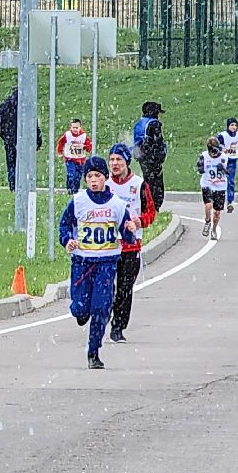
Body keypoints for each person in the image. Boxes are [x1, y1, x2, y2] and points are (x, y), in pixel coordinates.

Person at [58, 156, 138, 369]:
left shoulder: (117, 205)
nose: (94, 181)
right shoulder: (78, 201)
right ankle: (80, 312)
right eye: (90, 176)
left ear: (105, 178)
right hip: (82, 263)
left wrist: (129, 231)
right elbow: (64, 225)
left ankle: (94, 352)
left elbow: (126, 233)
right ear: (85, 179)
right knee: (81, 309)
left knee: (101, 308)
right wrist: (68, 241)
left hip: (107, 263)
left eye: (98, 176)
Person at [105, 143, 157, 343]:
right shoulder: (104, 184)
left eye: (118, 160)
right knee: (107, 287)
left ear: (127, 162)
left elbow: (150, 212)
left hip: (131, 245)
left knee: (125, 288)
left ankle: (118, 326)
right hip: (107, 246)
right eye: (112, 160)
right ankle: (104, 315)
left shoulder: (139, 184)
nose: (115, 164)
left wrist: (139, 221)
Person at [0, 86, 43, 192]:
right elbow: (34, 124)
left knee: (12, 164)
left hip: (10, 140)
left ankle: (13, 187)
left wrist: (5, 135)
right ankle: (25, 186)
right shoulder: (27, 105)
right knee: (25, 164)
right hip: (25, 141)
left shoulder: (5, 105)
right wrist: (38, 141)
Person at [133, 101, 168, 209]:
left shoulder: (139, 123)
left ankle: (145, 204)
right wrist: (160, 156)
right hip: (152, 159)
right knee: (156, 184)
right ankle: (154, 206)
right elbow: (156, 143)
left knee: (147, 181)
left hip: (142, 157)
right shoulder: (154, 124)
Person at [197, 135, 228, 241]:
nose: (213, 154)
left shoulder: (224, 157)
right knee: (208, 205)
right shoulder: (204, 156)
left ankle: (214, 229)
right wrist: (201, 167)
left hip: (220, 185)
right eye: (211, 151)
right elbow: (200, 169)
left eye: (214, 151)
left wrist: (223, 169)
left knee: (217, 212)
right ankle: (207, 220)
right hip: (207, 184)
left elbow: (229, 172)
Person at [57, 118, 92, 194]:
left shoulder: (84, 136)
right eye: (73, 127)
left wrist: (86, 147)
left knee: (78, 176)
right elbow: (61, 142)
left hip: (80, 160)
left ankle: (75, 191)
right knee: (71, 174)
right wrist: (60, 151)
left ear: (80, 127)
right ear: (71, 127)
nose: (75, 129)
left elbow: (89, 145)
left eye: (77, 128)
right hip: (70, 159)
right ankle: (69, 189)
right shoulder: (68, 135)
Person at [216, 117, 238, 213]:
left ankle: (230, 202)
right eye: (232, 125)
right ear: (228, 126)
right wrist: (220, 149)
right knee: (221, 181)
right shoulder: (222, 136)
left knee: (231, 181)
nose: (234, 127)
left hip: (232, 161)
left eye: (235, 125)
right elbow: (215, 145)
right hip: (222, 161)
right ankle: (219, 201)